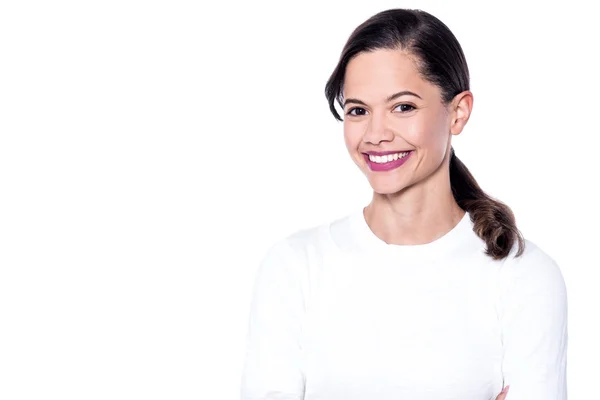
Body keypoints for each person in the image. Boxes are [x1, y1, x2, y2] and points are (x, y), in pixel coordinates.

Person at [240, 8, 567, 400]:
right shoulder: (294, 268)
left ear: (458, 112)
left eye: (403, 107)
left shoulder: (522, 276)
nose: (376, 134)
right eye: (358, 111)